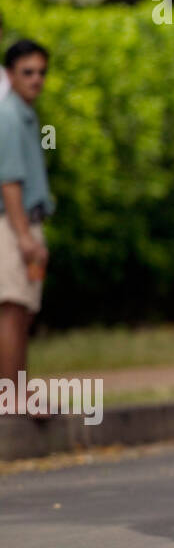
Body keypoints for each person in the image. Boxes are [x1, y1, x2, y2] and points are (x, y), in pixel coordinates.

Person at [0, 40, 53, 386]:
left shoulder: (25, 114)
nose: (35, 80)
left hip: (26, 223)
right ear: (10, 75)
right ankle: (10, 394)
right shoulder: (9, 117)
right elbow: (9, 181)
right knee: (12, 310)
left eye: (41, 72)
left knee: (23, 313)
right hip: (12, 225)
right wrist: (23, 236)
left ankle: (16, 391)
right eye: (27, 72)